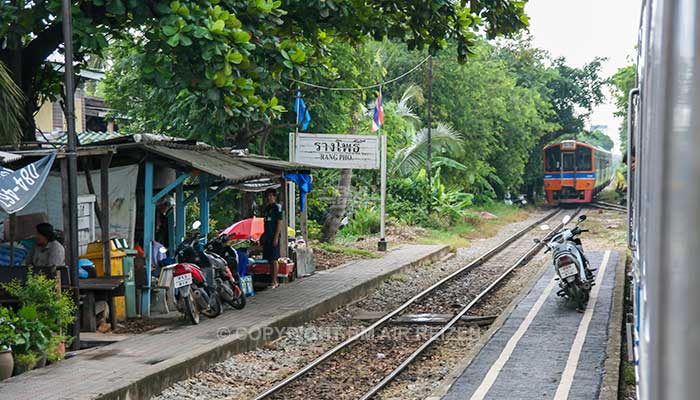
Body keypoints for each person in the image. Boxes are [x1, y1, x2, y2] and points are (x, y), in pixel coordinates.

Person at [260, 188, 283, 288]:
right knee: (269, 259)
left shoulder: (277, 207)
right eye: (267, 196)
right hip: (267, 236)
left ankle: (275, 280)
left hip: (274, 235)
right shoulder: (267, 209)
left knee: (274, 259)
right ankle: (271, 279)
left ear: (274, 196)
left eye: (270, 196)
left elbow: (279, 223)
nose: (269, 198)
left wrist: (276, 237)